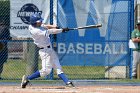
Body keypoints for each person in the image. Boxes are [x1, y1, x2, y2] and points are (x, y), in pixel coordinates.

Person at [21, 13, 75, 88]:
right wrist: (62, 30)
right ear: (34, 22)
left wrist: (55, 26)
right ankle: (27, 79)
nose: (40, 22)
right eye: (38, 21)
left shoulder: (35, 25)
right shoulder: (36, 31)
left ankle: (67, 82)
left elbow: (45, 26)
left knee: (58, 66)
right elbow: (51, 31)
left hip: (50, 49)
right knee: (46, 71)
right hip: (45, 51)